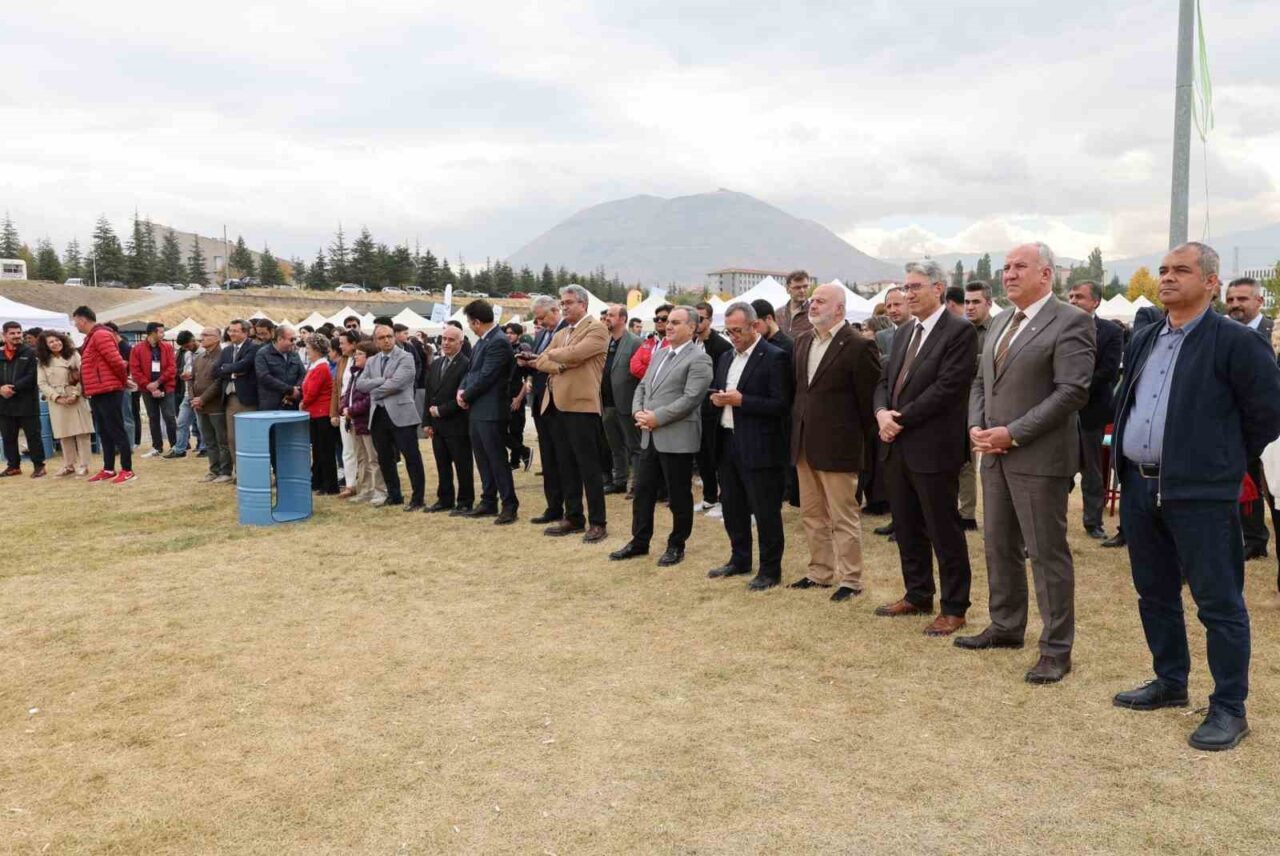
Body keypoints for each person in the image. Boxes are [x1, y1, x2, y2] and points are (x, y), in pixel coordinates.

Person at [1111, 242, 1280, 751]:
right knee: (1154, 592)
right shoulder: (1143, 338)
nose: (1167, 278)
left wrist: (1220, 460)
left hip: (1201, 493)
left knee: (1219, 603)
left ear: (1211, 282)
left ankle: (1229, 706)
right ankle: (1169, 681)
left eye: (1180, 270)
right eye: (1163, 270)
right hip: (1141, 486)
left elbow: (1267, 414)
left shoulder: (1234, 342)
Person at [958, 242, 1095, 685]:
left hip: (1038, 458)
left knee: (1045, 554)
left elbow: (1072, 392)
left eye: (1020, 266)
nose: (1010, 274)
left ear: (1047, 275)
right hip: (993, 456)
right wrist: (978, 426)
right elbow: (981, 381)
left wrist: (1013, 432)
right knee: (998, 546)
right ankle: (1005, 625)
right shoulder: (1000, 321)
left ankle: (1056, 649)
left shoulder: (1071, 321)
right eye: (1006, 267)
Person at [871, 261, 979, 636]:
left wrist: (899, 418)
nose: (908, 293)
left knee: (942, 528)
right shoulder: (903, 332)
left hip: (934, 447)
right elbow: (884, 380)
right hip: (897, 445)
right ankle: (917, 593)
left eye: (916, 286)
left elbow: (948, 388)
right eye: (905, 286)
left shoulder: (959, 332)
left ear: (938, 288)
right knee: (906, 524)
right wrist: (882, 412)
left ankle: (954, 606)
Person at [788, 283, 882, 601]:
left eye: (820, 301)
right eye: (812, 300)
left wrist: (861, 445)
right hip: (803, 444)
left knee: (843, 516)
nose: (812, 305)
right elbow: (800, 392)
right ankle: (820, 572)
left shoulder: (858, 346)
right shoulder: (802, 341)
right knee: (812, 514)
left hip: (839, 447)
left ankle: (851, 579)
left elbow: (868, 402)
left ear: (839, 309)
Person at [609, 307, 713, 566]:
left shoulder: (699, 358)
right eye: (668, 321)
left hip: (676, 437)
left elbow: (691, 398)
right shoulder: (661, 353)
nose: (669, 326)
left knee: (678, 495)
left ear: (692, 327)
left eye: (676, 322)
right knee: (643, 490)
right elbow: (642, 386)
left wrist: (657, 417)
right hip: (649, 435)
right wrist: (638, 413)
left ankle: (677, 545)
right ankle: (639, 541)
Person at [705, 302, 790, 590]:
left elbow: (781, 404)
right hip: (727, 440)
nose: (733, 336)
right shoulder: (727, 357)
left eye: (738, 330)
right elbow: (720, 390)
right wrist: (717, 398)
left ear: (755, 326)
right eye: (728, 331)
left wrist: (743, 401)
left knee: (765, 510)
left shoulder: (774, 357)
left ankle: (770, 569)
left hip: (760, 445)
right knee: (732, 506)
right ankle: (739, 558)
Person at [530, 285, 610, 542]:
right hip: (556, 405)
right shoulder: (563, 331)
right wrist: (561, 363)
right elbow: (540, 362)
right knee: (565, 466)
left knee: (589, 467)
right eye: (562, 303)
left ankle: (598, 522)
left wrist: (554, 356)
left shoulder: (597, 328)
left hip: (581, 406)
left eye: (568, 303)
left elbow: (575, 354)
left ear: (583, 304)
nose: (564, 307)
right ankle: (574, 516)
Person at [1066, 280, 1123, 540]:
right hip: (1059, 412)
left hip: (1091, 410)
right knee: (1056, 468)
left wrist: (1074, 389)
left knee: (1091, 469)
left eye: (1079, 296)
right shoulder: (1058, 327)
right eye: (1071, 296)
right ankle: (1049, 523)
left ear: (1095, 301)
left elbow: (1109, 371)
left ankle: (1093, 523)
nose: (1073, 300)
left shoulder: (1110, 331)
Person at [1224, 276, 1274, 561]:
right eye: (1230, 300)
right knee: (1248, 486)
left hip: (1272, 427)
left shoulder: (1274, 331)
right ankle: (1254, 540)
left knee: (1275, 491)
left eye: (1242, 299)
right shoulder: (1222, 333)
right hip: (1237, 427)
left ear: (1259, 301)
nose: (1235, 305)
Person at [459, 301, 519, 524]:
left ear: (476, 321)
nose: (470, 327)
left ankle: (509, 504)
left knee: (496, 459)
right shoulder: (482, 342)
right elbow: (471, 371)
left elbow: (487, 376)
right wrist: (462, 390)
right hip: (477, 408)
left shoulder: (498, 342)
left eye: (470, 323)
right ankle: (488, 500)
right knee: (482, 458)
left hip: (491, 410)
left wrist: (465, 396)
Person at [359, 324, 426, 511]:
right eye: (381, 337)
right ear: (375, 341)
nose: (386, 340)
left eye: (389, 336)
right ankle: (394, 495)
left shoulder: (406, 357)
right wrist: (381, 382)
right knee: (385, 458)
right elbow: (361, 384)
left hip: (402, 415)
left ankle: (418, 498)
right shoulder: (372, 361)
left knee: (411, 457)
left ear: (394, 337)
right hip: (379, 415)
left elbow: (397, 384)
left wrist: (375, 391)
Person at [72, 306, 135, 484]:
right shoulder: (91, 337)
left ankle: (127, 469)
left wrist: (121, 382)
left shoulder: (100, 335)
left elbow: (117, 362)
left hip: (109, 390)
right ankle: (108, 468)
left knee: (116, 430)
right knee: (104, 431)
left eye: (76, 321)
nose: (75, 325)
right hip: (97, 391)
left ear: (83, 320)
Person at [423, 325, 474, 514]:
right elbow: (429, 394)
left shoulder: (467, 364)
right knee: (442, 464)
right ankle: (444, 499)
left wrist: (441, 411)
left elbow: (463, 396)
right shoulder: (436, 364)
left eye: (451, 339)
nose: (445, 343)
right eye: (443, 339)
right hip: (437, 425)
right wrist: (427, 421)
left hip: (457, 424)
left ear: (461, 342)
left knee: (462, 465)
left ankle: (465, 501)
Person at [958, 281, 995, 530]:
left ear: (989, 303)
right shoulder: (959, 329)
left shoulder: (998, 328)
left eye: (975, 302)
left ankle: (969, 514)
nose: (969, 307)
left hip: (988, 405)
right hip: (956, 404)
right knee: (959, 461)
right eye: (967, 302)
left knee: (977, 463)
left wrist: (970, 361)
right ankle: (962, 511)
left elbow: (994, 363)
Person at [527, 296, 567, 522]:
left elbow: (563, 364)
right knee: (548, 458)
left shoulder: (566, 332)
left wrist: (539, 363)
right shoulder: (541, 335)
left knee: (562, 457)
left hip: (558, 402)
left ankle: (568, 507)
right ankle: (553, 506)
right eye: (537, 319)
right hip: (540, 401)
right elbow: (540, 363)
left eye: (542, 317)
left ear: (555, 310)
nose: (540, 322)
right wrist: (529, 363)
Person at [36, 330, 93, 477]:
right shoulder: (43, 361)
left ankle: (84, 464)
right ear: (46, 346)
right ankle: (68, 464)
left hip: (76, 396)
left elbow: (83, 375)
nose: (56, 344)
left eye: (57, 340)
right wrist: (57, 397)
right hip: (57, 400)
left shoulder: (73, 354)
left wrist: (75, 394)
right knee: (64, 433)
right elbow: (42, 383)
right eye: (51, 342)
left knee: (82, 432)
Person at [694, 301, 732, 516]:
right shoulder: (692, 343)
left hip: (714, 411)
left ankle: (725, 500)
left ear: (709, 320)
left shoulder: (721, 346)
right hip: (694, 411)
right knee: (701, 456)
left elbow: (722, 380)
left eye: (700, 318)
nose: (696, 323)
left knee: (717, 455)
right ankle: (709, 498)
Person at [601, 304, 643, 495]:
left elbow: (641, 374)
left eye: (611, 315)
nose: (607, 318)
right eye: (607, 315)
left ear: (623, 319)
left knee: (634, 446)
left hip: (627, 402)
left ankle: (637, 485)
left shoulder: (634, 342)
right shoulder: (606, 341)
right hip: (607, 403)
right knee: (615, 445)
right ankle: (619, 481)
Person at [340, 342, 387, 505]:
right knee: (361, 458)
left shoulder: (372, 375)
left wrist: (351, 409)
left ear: (369, 357)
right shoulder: (355, 374)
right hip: (354, 421)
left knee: (373, 458)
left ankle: (380, 491)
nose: (355, 356)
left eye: (359, 353)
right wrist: (344, 406)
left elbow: (370, 399)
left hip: (366, 420)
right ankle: (365, 490)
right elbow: (348, 394)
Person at [0, 321, 45, 478]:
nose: (17, 336)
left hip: (27, 402)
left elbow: (32, 376)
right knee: (8, 436)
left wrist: (12, 388)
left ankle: (39, 466)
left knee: (33, 436)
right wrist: (1, 389)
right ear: (4, 335)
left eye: (19, 332)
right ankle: (13, 466)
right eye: (12, 333)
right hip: (5, 403)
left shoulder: (31, 352)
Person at [215, 319, 260, 474]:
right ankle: (240, 472)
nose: (231, 334)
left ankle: (253, 472)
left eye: (235, 331)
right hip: (230, 399)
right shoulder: (227, 350)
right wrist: (233, 371)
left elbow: (245, 365)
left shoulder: (253, 348)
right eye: (230, 331)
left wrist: (228, 369)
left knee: (249, 438)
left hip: (247, 400)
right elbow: (217, 370)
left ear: (245, 332)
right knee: (232, 438)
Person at [128, 322, 178, 458]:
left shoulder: (167, 347)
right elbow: (135, 370)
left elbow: (172, 368)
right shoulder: (137, 349)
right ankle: (157, 447)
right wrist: (148, 385)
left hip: (166, 386)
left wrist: (158, 382)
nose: (163, 334)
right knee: (153, 417)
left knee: (169, 416)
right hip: (147, 389)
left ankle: (175, 446)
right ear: (152, 333)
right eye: (161, 332)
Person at [189, 327, 231, 483]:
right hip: (200, 406)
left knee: (222, 440)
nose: (202, 338)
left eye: (206, 335)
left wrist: (203, 398)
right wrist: (194, 398)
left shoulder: (223, 356)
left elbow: (219, 381)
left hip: (216, 405)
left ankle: (225, 471)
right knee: (209, 441)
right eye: (201, 335)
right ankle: (213, 470)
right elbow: (191, 379)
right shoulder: (199, 357)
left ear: (216, 338)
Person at [300, 333, 339, 495]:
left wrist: (303, 403)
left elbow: (312, 392)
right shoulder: (316, 365)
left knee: (325, 451)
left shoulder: (321, 367)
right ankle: (319, 482)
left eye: (309, 348)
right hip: (315, 413)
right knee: (318, 450)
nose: (307, 351)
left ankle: (329, 485)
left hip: (322, 413)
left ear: (316, 349)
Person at [330, 330, 362, 498]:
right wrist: (334, 412)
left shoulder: (364, 359)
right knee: (347, 449)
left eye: (343, 343)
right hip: (343, 410)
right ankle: (350, 485)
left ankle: (365, 484)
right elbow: (337, 388)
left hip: (359, 409)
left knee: (364, 451)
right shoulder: (342, 361)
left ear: (353, 343)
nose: (340, 346)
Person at [166, 330, 203, 459]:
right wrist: (183, 375)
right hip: (189, 392)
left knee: (201, 423)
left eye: (188, 345)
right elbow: (187, 370)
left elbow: (207, 374)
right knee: (181, 421)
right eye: (184, 347)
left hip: (201, 393)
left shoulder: (204, 352)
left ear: (193, 339)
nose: (187, 348)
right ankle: (180, 449)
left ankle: (205, 447)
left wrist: (191, 375)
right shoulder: (187, 354)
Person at [502, 322, 532, 471]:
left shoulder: (523, 350)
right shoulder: (505, 349)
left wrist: (519, 398)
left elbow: (528, 379)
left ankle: (515, 461)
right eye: (507, 332)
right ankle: (522, 453)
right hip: (504, 395)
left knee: (516, 430)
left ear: (519, 335)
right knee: (503, 430)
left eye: (512, 333)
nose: (509, 335)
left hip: (517, 394)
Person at [254, 326, 305, 411]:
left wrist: (297, 389)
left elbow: (302, 374)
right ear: (280, 339)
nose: (294, 343)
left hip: (292, 404)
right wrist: (289, 390)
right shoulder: (263, 354)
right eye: (291, 339)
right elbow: (264, 377)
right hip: (271, 406)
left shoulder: (294, 354)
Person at [629, 304, 671, 381]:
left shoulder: (675, 344)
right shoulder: (648, 342)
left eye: (664, 319)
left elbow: (668, 373)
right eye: (656, 319)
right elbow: (634, 366)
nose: (659, 321)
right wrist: (653, 373)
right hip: (645, 390)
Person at [778, 270, 814, 339]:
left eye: (805, 286)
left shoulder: (814, 313)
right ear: (788, 289)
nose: (802, 290)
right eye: (797, 287)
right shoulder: (778, 314)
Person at [875, 287, 908, 359]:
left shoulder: (921, 332)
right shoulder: (881, 337)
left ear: (909, 304)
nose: (892, 310)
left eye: (897, 304)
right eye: (889, 306)